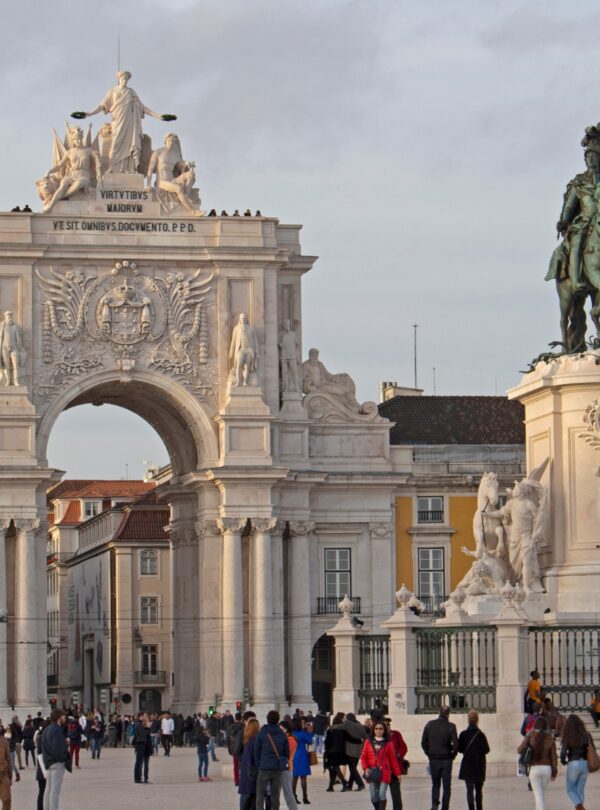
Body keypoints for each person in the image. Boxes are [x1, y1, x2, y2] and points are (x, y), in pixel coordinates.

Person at [73, 71, 176, 173]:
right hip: (117, 123)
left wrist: (159, 116)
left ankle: (129, 169)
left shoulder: (131, 93)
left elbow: (143, 107)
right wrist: (89, 113)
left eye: (126, 79)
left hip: (130, 124)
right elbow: (102, 105)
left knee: (130, 146)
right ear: (119, 79)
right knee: (115, 146)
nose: (125, 81)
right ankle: (113, 168)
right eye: (123, 78)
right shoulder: (112, 91)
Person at [39, 126, 102, 212]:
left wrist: (96, 156)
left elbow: (97, 162)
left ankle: (60, 197)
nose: (78, 141)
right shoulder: (70, 152)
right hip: (71, 175)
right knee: (62, 186)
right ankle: (50, 207)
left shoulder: (88, 150)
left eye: (80, 139)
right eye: (76, 139)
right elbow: (59, 165)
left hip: (83, 175)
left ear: (82, 138)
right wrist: (50, 171)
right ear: (73, 141)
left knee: (79, 183)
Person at [146, 133, 199, 214]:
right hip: (161, 182)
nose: (171, 142)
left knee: (191, 174)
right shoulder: (158, 152)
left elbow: (180, 165)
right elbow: (150, 168)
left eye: (174, 141)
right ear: (165, 141)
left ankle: (186, 196)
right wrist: (148, 184)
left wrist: (187, 164)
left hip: (173, 180)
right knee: (179, 188)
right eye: (170, 140)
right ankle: (192, 211)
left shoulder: (176, 154)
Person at [421, 706, 458, 810]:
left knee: (435, 784)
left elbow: (423, 743)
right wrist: (452, 756)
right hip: (446, 759)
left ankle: (434, 805)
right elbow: (456, 745)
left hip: (434, 759)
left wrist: (429, 754)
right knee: (447, 786)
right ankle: (445, 807)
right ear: (448, 714)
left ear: (439, 712)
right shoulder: (451, 726)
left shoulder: (429, 725)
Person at [517, 716, 557, 810]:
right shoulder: (550, 738)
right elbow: (554, 757)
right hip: (547, 769)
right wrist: (554, 772)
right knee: (541, 795)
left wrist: (527, 736)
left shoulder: (530, 735)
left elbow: (519, 750)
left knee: (538, 796)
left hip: (534, 769)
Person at [360, 718, 401, 810]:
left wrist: (397, 773)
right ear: (373, 730)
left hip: (385, 772)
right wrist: (365, 768)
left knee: (382, 794)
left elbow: (393, 759)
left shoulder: (388, 743)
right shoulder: (368, 742)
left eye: (381, 728)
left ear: (384, 730)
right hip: (372, 772)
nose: (378, 730)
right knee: (374, 796)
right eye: (376, 728)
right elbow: (363, 757)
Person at [253, 710, 289, 810]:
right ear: (278, 721)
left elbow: (256, 750)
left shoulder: (262, 733)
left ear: (267, 720)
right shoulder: (282, 734)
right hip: (277, 768)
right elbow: (287, 753)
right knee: (275, 795)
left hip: (263, 767)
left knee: (260, 795)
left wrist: (258, 764)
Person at [560, 713, 594, 810]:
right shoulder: (587, 735)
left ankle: (580, 808)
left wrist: (563, 761)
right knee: (580, 790)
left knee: (570, 790)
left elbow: (563, 752)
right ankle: (580, 807)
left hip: (573, 764)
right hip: (585, 764)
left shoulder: (568, 735)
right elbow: (593, 749)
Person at [457, 710, 490, 810]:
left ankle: (471, 808)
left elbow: (460, 749)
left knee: (469, 790)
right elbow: (486, 750)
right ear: (477, 721)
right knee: (478, 790)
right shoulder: (481, 735)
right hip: (479, 765)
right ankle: (479, 808)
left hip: (467, 765)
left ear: (468, 720)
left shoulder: (463, 734)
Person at [41, 708, 70, 810]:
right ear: (59, 717)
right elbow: (57, 748)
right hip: (57, 762)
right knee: (55, 791)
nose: (64, 718)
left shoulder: (46, 729)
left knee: (48, 789)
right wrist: (62, 758)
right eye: (63, 716)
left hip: (48, 762)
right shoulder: (57, 730)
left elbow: (44, 746)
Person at [383, 717, 408, 810]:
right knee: (381, 794)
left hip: (394, 770)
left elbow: (403, 747)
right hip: (382, 770)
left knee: (396, 794)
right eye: (385, 725)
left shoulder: (396, 734)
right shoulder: (378, 737)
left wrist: (398, 754)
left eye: (388, 724)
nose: (387, 726)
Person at [229, 313, 259, 387]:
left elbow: (255, 341)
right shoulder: (236, 329)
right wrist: (231, 351)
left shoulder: (251, 328)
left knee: (247, 366)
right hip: (241, 349)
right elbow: (233, 341)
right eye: (242, 318)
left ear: (246, 319)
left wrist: (257, 352)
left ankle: (245, 382)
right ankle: (239, 382)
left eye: (245, 318)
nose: (243, 319)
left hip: (249, 349)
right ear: (240, 319)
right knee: (239, 365)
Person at [323, 712, 349, 791]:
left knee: (334, 767)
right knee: (334, 768)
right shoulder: (343, 730)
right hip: (341, 751)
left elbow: (327, 742)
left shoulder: (330, 730)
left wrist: (326, 750)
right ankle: (331, 786)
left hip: (332, 751)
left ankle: (344, 783)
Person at [239, 717, 260, 810]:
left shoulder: (246, 739)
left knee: (246, 795)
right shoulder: (255, 740)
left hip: (246, 770)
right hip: (252, 771)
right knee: (252, 796)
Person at [291, 717, 313, 804]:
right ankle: (305, 797)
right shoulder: (303, 734)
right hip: (302, 755)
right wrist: (309, 732)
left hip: (293, 756)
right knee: (303, 778)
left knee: (294, 778)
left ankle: (293, 796)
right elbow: (310, 741)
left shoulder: (291, 734)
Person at [344, 712, 367, 792]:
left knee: (352, 768)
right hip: (359, 748)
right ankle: (349, 786)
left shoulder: (346, 724)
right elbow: (365, 738)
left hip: (349, 748)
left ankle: (360, 784)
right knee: (353, 768)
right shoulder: (360, 726)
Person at [279, 720, 298, 810]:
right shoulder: (285, 739)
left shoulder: (291, 740)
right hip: (281, 768)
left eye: (281, 728)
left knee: (288, 792)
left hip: (287, 768)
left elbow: (286, 753)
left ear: (286, 729)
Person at [133, 712, 152, 784]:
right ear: (141, 716)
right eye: (144, 715)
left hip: (143, 744)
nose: (145, 717)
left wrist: (147, 728)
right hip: (140, 743)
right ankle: (137, 778)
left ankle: (139, 778)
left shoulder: (141, 723)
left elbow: (146, 733)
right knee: (138, 762)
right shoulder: (138, 723)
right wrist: (147, 727)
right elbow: (142, 733)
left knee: (140, 762)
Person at [0, 728, 11, 810]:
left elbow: (8, 759)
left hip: (4, 774)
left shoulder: (4, 741)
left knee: (6, 800)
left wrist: (10, 776)